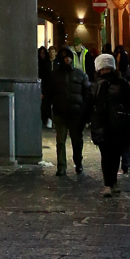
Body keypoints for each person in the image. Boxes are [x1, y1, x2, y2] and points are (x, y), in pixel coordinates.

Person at [90, 51, 130, 196]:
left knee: (116, 154)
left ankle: (113, 182)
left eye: (107, 68)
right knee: (106, 155)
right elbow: (88, 104)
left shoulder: (122, 84)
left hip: (119, 124)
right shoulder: (95, 86)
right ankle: (108, 184)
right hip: (101, 125)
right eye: (102, 68)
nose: (105, 71)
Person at [51, 46, 91, 177]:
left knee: (77, 141)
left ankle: (78, 162)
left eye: (69, 57)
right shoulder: (55, 75)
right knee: (60, 142)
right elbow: (50, 93)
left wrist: (85, 112)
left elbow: (87, 93)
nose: (67, 59)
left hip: (75, 114)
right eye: (65, 57)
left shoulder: (79, 74)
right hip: (60, 113)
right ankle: (61, 166)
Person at [38, 45, 53, 129]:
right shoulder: (43, 63)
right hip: (43, 85)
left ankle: (46, 119)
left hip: (46, 85)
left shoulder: (45, 63)